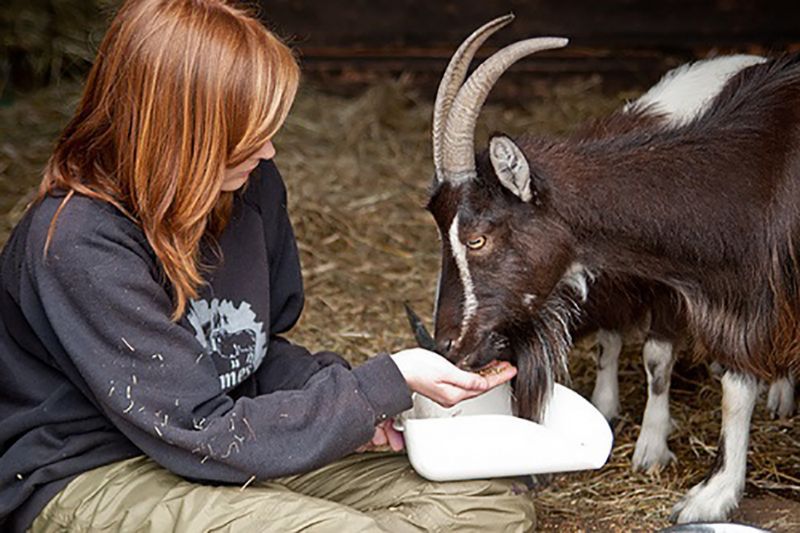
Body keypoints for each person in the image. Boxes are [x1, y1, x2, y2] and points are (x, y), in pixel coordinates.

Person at [0, 1, 536, 531]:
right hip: (97, 470)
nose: (271, 149)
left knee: (488, 500)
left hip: (230, 438)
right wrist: (374, 388)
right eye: (246, 132)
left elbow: (254, 354)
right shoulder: (78, 244)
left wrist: (364, 404)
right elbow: (198, 432)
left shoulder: (245, 187)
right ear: (181, 132)